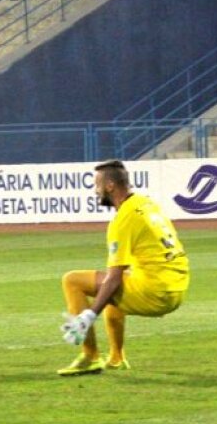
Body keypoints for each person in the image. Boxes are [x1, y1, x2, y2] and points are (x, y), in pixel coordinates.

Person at [58, 160, 189, 375]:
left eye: (97, 184)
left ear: (110, 186)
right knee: (111, 287)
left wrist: (89, 315)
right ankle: (117, 358)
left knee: (73, 280)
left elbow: (114, 277)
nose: (95, 190)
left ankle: (90, 357)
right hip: (176, 287)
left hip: (155, 293)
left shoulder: (122, 221)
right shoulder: (146, 203)